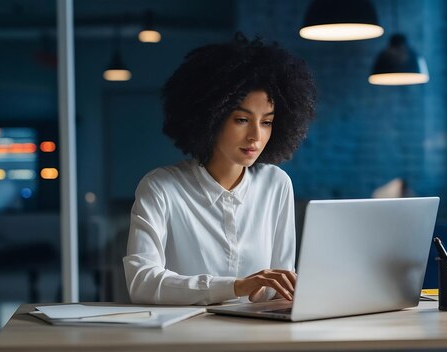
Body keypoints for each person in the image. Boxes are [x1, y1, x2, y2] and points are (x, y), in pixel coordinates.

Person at [123, 34, 317, 305]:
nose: (256, 136)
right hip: (185, 339)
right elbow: (142, 282)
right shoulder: (161, 187)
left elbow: (280, 286)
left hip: (257, 337)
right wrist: (237, 286)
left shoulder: (276, 184)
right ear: (209, 117)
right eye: (242, 119)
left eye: (267, 122)